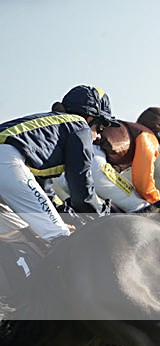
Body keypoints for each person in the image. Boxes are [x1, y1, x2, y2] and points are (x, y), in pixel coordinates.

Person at [0, 85, 116, 241]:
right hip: (7, 160)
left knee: (21, 236)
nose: (99, 136)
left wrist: (68, 214)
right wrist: (104, 215)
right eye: (101, 127)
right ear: (90, 118)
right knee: (59, 235)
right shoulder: (80, 127)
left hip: (8, 160)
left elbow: (45, 191)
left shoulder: (50, 132)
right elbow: (81, 194)